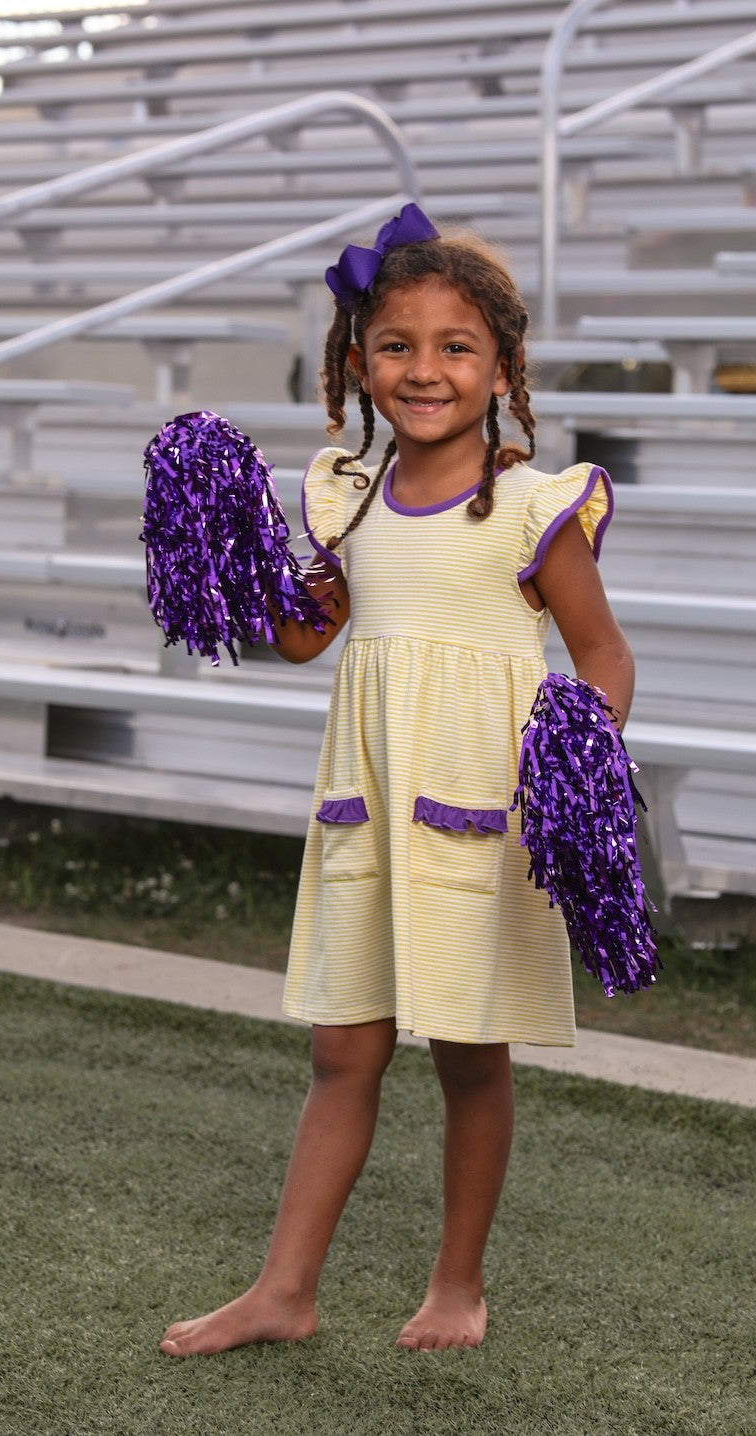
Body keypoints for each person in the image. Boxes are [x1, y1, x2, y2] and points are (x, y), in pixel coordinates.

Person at [160, 204, 634, 1358]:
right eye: (397, 346)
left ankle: (457, 1285)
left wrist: (580, 748)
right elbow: (302, 640)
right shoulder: (346, 495)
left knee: (471, 1057)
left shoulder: (533, 509)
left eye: (456, 346)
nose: (424, 370)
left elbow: (604, 659)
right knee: (342, 1050)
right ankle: (284, 1290)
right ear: (358, 363)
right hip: (367, 805)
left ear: (503, 367)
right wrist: (239, 547)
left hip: (483, 814)